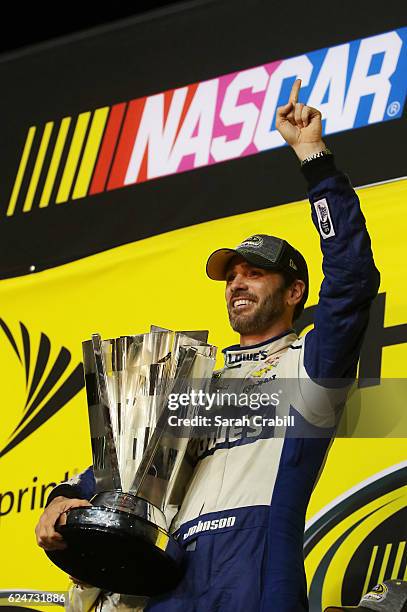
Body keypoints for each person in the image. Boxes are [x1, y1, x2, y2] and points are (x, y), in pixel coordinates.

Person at [35, 79, 380, 611]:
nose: (238, 283)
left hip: (257, 562)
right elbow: (115, 469)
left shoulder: (309, 363)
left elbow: (353, 276)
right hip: (170, 574)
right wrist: (60, 502)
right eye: (231, 276)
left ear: (294, 292)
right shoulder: (191, 384)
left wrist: (314, 158)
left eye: (255, 273)